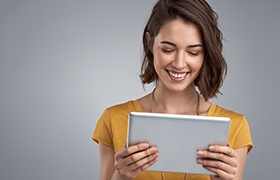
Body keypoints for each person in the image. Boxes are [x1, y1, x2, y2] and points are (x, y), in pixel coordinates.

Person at [92, 0, 253, 179]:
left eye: (193, 52)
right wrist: (120, 177)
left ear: (206, 53)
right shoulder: (113, 119)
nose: (178, 63)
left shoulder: (235, 126)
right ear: (149, 43)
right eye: (168, 49)